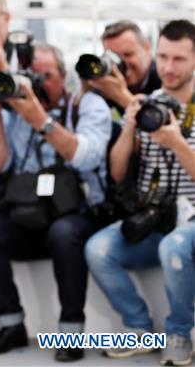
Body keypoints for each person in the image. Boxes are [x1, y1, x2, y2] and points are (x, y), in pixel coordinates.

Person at [0, 43, 112, 362]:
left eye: (46, 76)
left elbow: (86, 156)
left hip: (75, 213)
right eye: (32, 76)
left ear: (64, 77)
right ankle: (11, 325)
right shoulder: (15, 112)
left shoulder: (87, 105)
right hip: (28, 212)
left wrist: (42, 120)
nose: (38, 83)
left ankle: (70, 332)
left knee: (64, 234)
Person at [84, 20, 195, 365]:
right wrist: (130, 126)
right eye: (162, 57)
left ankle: (179, 333)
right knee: (98, 249)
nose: (167, 67)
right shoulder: (148, 104)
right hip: (153, 215)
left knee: (174, 247)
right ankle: (139, 329)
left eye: (178, 59)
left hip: (190, 221)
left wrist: (177, 143)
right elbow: (117, 172)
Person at [88, 20, 162, 114]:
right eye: (113, 57)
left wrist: (122, 97)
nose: (121, 62)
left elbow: (156, 121)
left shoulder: (164, 77)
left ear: (147, 48)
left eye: (128, 55)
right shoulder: (112, 79)